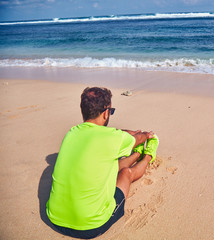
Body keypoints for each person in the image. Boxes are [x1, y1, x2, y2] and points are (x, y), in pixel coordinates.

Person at [46, 87, 159, 239]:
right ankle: (146, 156)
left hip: (54, 218)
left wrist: (127, 133)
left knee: (107, 164)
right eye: (111, 111)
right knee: (126, 174)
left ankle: (136, 154)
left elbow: (112, 133)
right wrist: (145, 135)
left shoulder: (71, 133)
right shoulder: (112, 138)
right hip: (91, 226)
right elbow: (136, 138)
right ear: (106, 113)